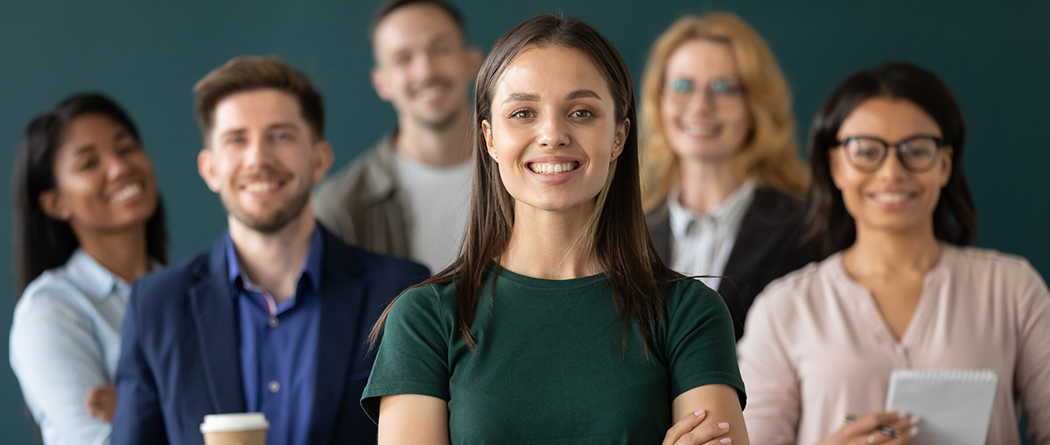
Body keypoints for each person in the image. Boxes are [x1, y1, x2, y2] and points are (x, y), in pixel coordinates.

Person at [361, 15, 749, 445]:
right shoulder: (423, 320)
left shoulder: (690, 314)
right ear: (490, 138)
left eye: (581, 112)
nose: (552, 134)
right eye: (523, 113)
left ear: (619, 135)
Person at [109, 57, 429, 445]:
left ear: (320, 159)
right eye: (236, 139)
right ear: (210, 169)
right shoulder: (156, 304)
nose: (258, 159)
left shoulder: (401, 291)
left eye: (280, 136)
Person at [737, 62, 1050, 444]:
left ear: (945, 164)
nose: (891, 172)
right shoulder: (785, 307)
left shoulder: (1013, 290)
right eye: (866, 151)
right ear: (836, 166)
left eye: (916, 150)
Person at [639, 12, 816, 340]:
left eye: (723, 88)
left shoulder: (809, 232)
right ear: (658, 99)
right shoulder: (629, 231)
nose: (700, 106)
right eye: (682, 86)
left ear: (755, 105)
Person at [9, 93, 168, 445]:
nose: (119, 167)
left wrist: (138, 406)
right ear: (55, 203)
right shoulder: (52, 311)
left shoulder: (188, 292)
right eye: (89, 163)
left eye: (126, 148)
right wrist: (164, 405)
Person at [313, 0, 482, 272]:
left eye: (441, 49)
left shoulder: (530, 174)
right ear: (382, 83)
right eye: (403, 59)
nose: (426, 71)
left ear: (472, 63)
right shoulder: (339, 210)